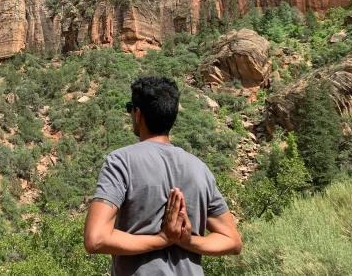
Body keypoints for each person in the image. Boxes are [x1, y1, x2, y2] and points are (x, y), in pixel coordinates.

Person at [84, 76, 241, 275]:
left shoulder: (121, 161)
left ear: (138, 114)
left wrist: (162, 240)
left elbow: (95, 239)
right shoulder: (200, 169)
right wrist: (189, 241)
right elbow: (232, 241)